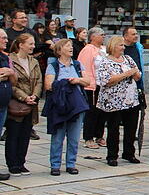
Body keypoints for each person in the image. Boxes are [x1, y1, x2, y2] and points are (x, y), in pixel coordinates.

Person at [43, 39, 89, 176]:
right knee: (57, 137)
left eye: (71, 46)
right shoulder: (53, 66)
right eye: (67, 46)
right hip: (60, 105)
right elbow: (48, 85)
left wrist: (77, 80)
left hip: (76, 105)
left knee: (74, 137)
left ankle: (71, 164)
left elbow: (88, 81)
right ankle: (55, 165)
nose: (71, 48)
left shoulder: (78, 65)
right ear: (59, 50)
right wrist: (64, 83)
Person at [95, 36, 141, 166]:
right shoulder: (105, 62)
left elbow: (137, 75)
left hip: (131, 100)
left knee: (131, 128)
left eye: (123, 45)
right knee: (113, 129)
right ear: (113, 46)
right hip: (113, 101)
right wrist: (126, 74)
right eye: (120, 45)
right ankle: (112, 155)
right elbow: (106, 81)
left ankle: (129, 153)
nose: (123, 47)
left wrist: (134, 73)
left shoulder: (128, 59)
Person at [5, 33, 41, 176]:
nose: (33, 46)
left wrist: (35, 96)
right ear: (21, 45)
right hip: (16, 103)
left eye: (33, 44)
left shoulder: (34, 62)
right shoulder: (10, 60)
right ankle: (12, 164)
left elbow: (39, 81)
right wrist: (24, 97)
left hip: (31, 104)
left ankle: (21, 162)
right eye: (30, 44)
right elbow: (12, 83)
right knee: (14, 134)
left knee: (26, 134)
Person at [79, 27, 106, 149]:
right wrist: (89, 83)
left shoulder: (103, 49)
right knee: (92, 112)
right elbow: (84, 68)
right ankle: (88, 137)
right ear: (93, 37)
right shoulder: (88, 50)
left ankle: (99, 135)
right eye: (101, 34)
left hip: (104, 85)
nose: (103, 36)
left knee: (102, 112)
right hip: (92, 86)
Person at [0, 30, 16, 180]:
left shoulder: (5, 57)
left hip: (3, 104)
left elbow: (14, 80)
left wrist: (10, 73)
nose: (6, 40)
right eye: (3, 38)